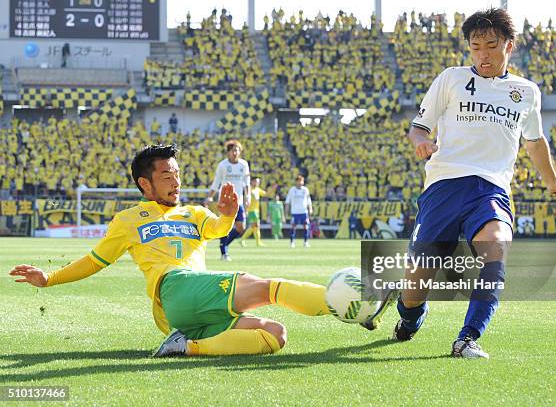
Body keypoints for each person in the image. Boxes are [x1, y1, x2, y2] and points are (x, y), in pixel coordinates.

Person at [9, 144, 335, 357]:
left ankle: (186, 346)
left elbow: (219, 229)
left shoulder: (193, 212)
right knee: (265, 288)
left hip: (195, 309)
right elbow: (95, 261)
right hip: (175, 288)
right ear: (144, 184)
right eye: (167, 175)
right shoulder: (128, 220)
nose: (175, 181)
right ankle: (348, 302)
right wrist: (49, 278)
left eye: (177, 173)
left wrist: (228, 213)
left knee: (274, 335)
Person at [383, 8, 556, 358]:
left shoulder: (526, 91)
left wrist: (553, 181)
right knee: (415, 286)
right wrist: (421, 143)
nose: (483, 55)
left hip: (491, 189)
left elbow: (534, 141)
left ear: (509, 46)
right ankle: (410, 317)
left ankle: (467, 338)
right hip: (444, 185)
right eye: (476, 47)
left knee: (496, 248)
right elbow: (419, 127)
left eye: (491, 46)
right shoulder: (450, 79)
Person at [208, 139, 250, 261]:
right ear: (228, 152)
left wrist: (248, 197)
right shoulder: (223, 165)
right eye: (233, 151)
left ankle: (224, 244)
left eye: (237, 150)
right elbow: (217, 182)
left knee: (241, 227)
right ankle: (224, 253)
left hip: (239, 201)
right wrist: (210, 196)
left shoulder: (244, 165)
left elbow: (246, 183)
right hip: (225, 201)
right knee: (224, 226)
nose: (235, 153)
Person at [285, 175, 313, 248]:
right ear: (296, 182)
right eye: (299, 181)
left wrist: (310, 209)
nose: (300, 183)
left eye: (302, 181)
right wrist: (286, 211)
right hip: (295, 212)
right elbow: (288, 201)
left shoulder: (305, 190)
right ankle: (292, 242)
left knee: (306, 226)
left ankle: (306, 242)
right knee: (293, 227)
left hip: (304, 212)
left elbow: (308, 201)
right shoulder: (292, 190)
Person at [240, 177, 266, 247]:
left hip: (256, 211)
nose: (257, 183)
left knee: (255, 227)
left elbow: (266, 194)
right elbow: (246, 200)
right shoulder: (249, 190)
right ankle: (242, 239)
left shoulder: (257, 190)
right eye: (256, 181)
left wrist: (272, 188)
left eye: (258, 182)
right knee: (255, 226)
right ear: (252, 182)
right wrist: (246, 210)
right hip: (251, 210)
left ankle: (258, 242)